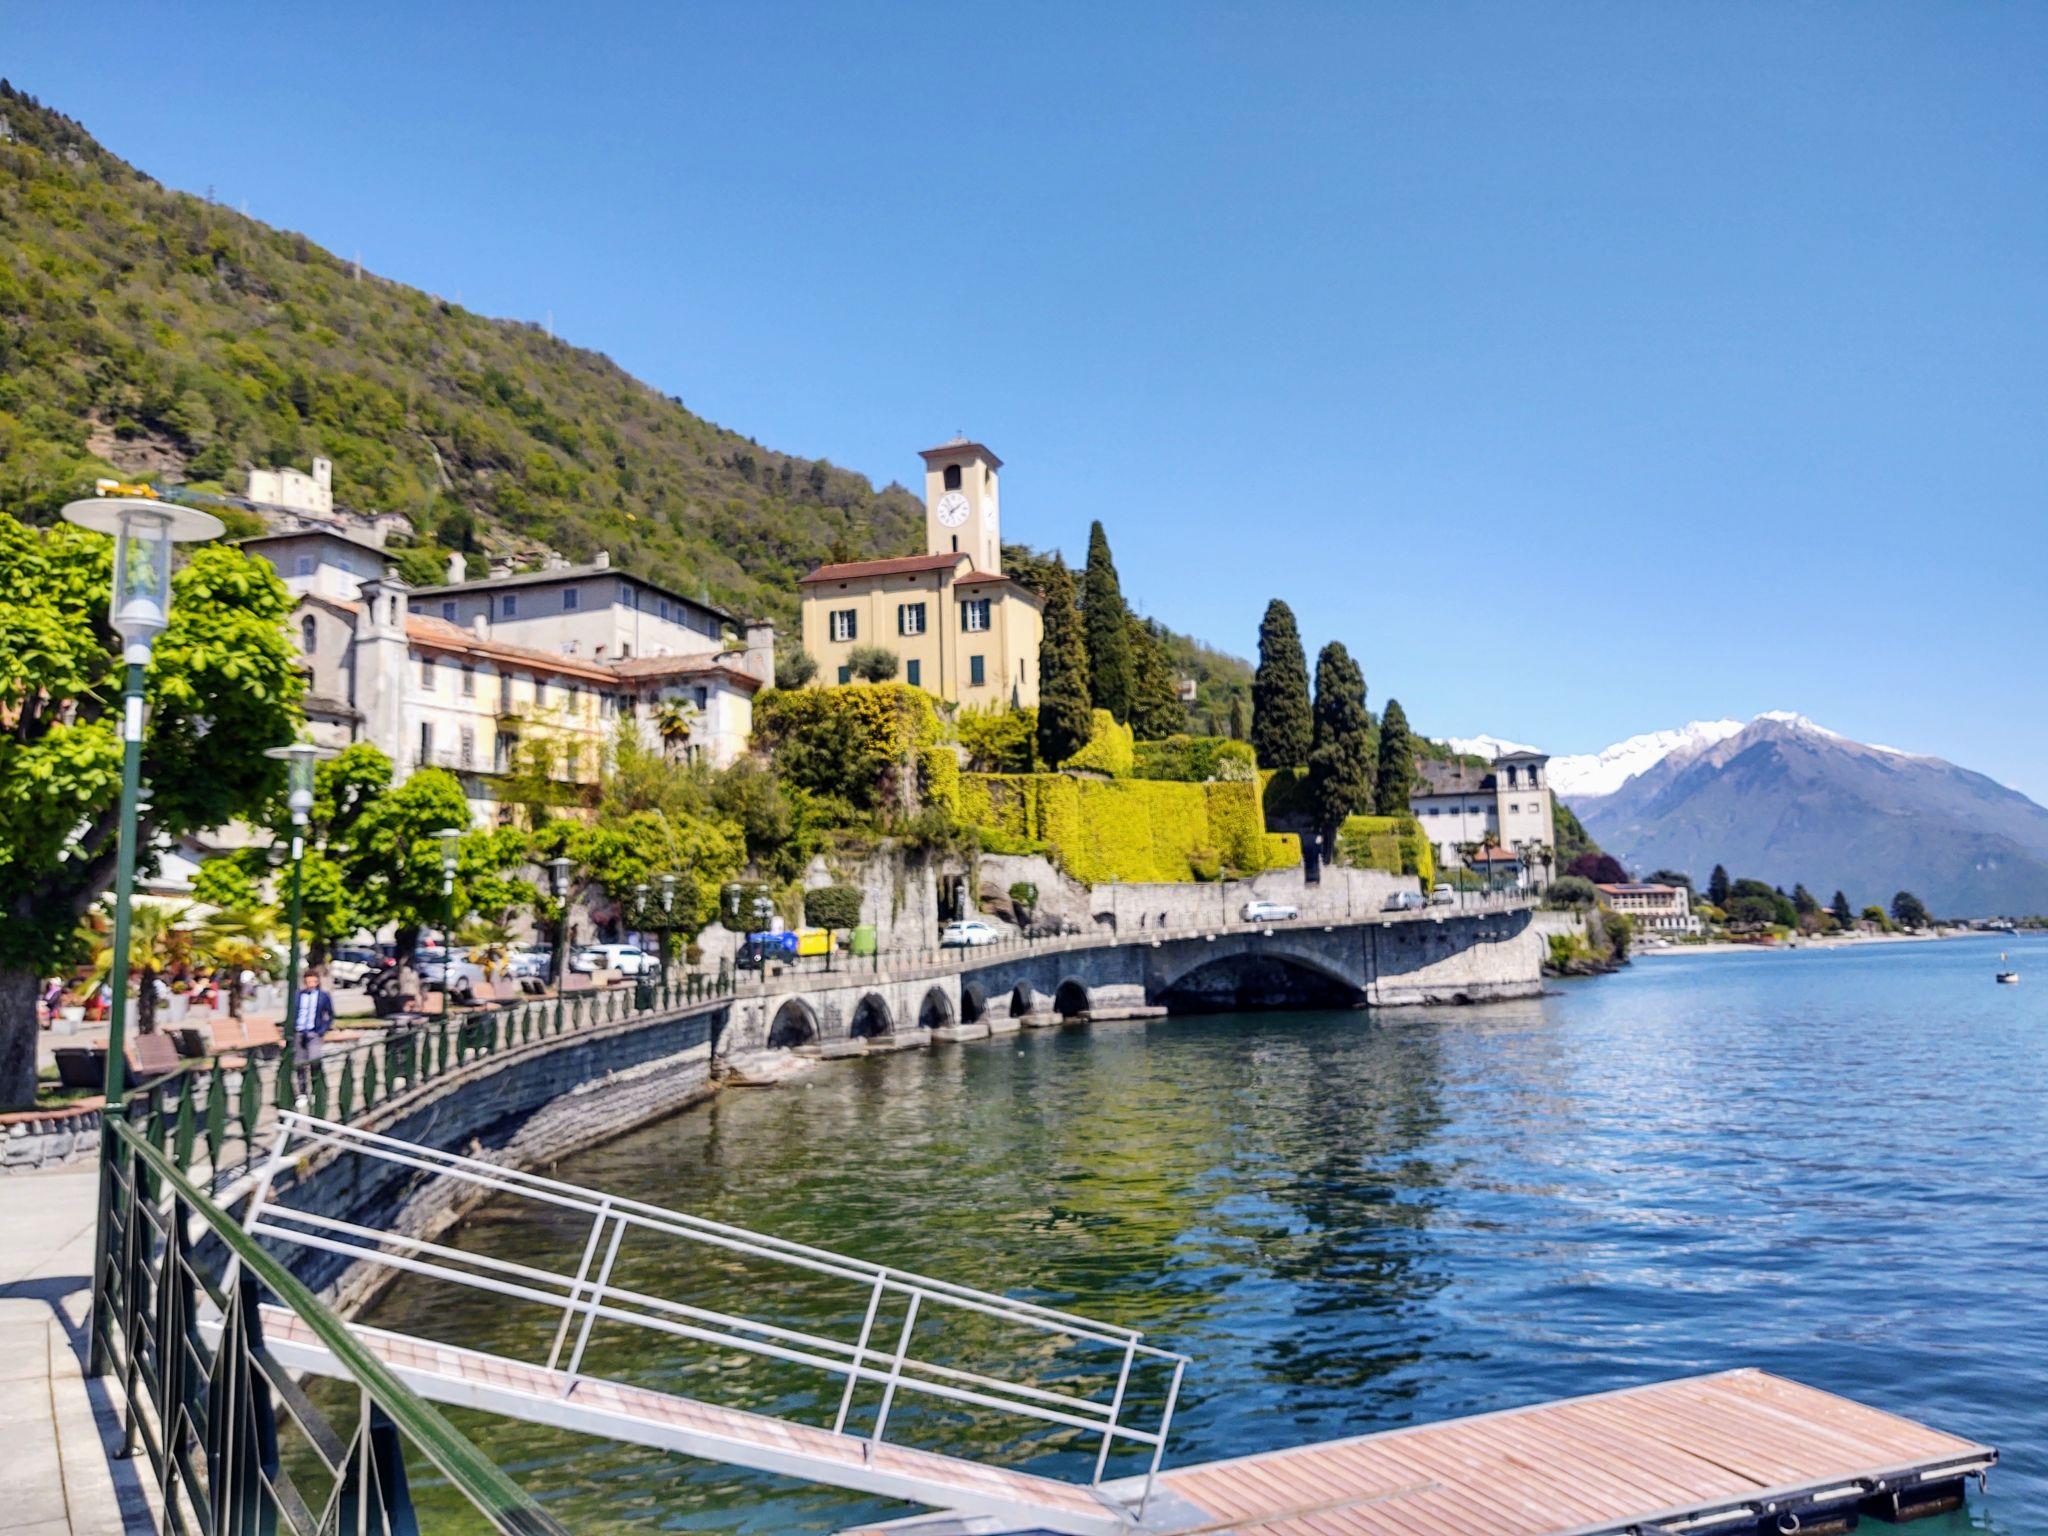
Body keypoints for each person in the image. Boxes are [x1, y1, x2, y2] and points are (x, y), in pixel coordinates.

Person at [291, 968, 336, 1098]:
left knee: (315, 1060)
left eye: (314, 981)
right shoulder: (298, 995)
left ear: (317, 982)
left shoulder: (323, 996)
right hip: (299, 1032)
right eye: (308, 982)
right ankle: (302, 1092)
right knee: (299, 1063)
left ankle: (318, 1090)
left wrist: (322, 1030)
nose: (311, 984)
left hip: (314, 1033)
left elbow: (330, 1014)